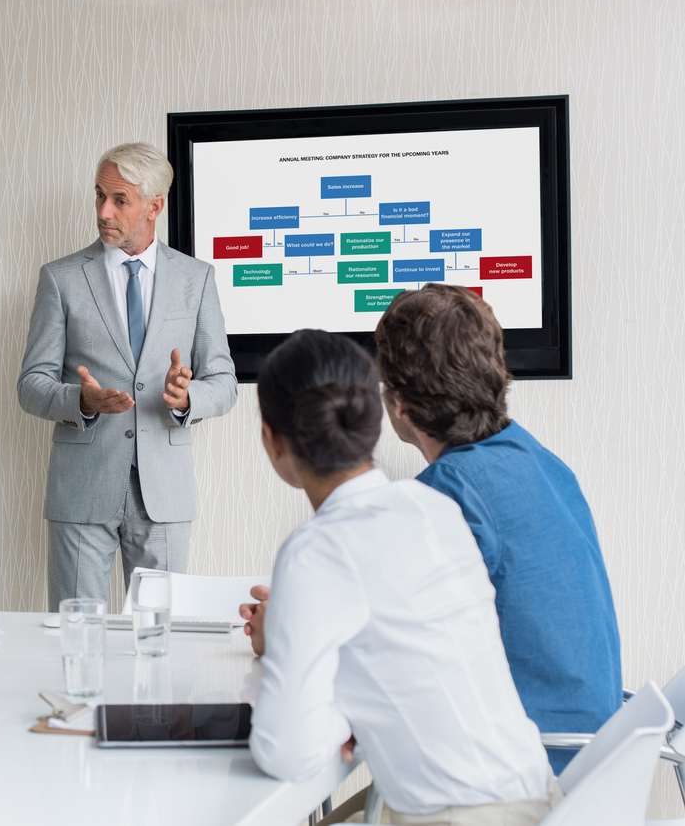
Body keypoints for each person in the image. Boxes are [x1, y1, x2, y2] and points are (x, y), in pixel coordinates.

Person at [244, 329, 558, 825]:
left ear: (271, 440)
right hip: (541, 799)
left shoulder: (317, 549)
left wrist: (334, 714)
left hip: (457, 816)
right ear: (377, 421)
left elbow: (285, 752)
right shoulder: (433, 508)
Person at [374, 284, 621, 775]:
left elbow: (384, 658)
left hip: (523, 776)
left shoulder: (445, 497)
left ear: (398, 404)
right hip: (596, 767)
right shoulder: (540, 462)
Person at [17, 142, 237, 608]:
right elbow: (31, 384)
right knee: (77, 637)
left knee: (159, 641)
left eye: (119, 200)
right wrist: (81, 400)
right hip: (82, 490)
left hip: (164, 493)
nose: (103, 211)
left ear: (155, 205)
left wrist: (186, 398)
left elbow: (224, 382)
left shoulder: (195, 279)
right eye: (99, 195)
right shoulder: (61, 278)